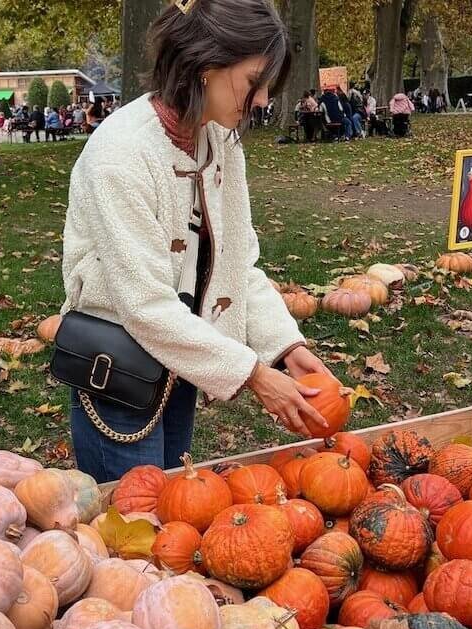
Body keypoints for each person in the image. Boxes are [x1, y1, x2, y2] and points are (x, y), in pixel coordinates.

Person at [60, 0, 331, 482]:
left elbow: (238, 263)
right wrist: (251, 374)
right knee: (134, 530)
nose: (264, 99)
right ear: (207, 66)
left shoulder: (220, 142)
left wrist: (284, 345)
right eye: (255, 82)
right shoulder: (120, 154)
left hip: (185, 361)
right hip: (117, 375)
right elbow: (142, 304)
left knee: (174, 513)